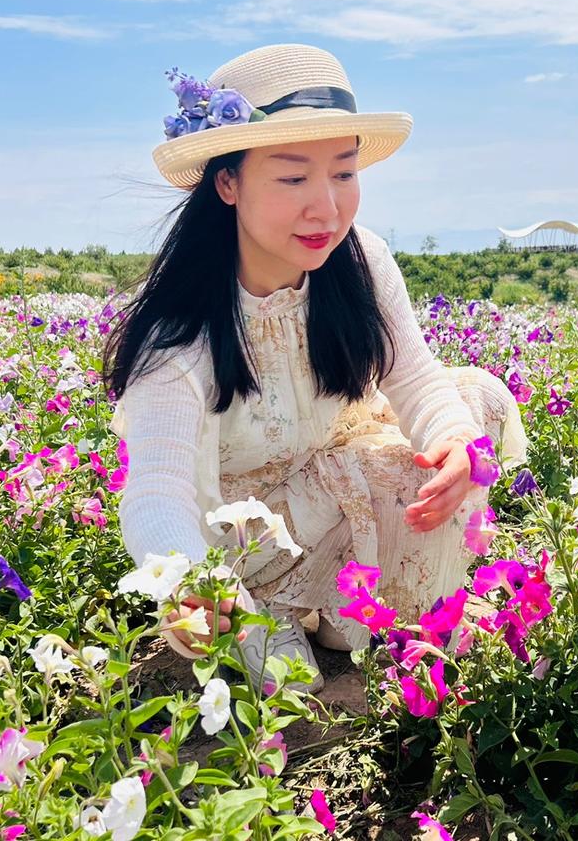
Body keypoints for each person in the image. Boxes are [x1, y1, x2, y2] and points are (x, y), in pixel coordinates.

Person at [104, 43, 527, 691]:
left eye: (344, 173)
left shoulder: (359, 260)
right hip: (244, 542)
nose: (326, 208)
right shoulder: (182, 331)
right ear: (227, 182)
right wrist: (192, 586)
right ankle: (269, 606)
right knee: (291, 687)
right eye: (294, 177)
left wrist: (449, 444)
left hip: (336, 487)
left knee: (477, 403)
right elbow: (157, 491)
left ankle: (344, 610)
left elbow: (412, 374)